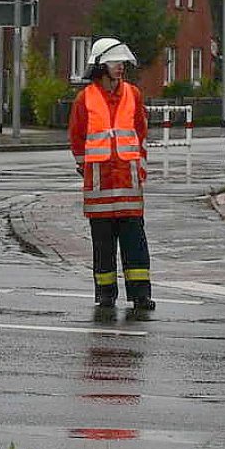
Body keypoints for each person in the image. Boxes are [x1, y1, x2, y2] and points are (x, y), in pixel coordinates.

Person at [68, 37, 154, 311]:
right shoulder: (85, 99)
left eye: (122, 62)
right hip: (100, 185)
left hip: (128, 185)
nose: (121, 67)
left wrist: (140, 165)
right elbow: (77, 137)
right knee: (103, 247)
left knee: (135, 244)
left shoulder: (133, 94)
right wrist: (86, 168)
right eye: (116, 62)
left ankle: (140, 295)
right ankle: (105, 295)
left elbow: (140, 132)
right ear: (100, 65)